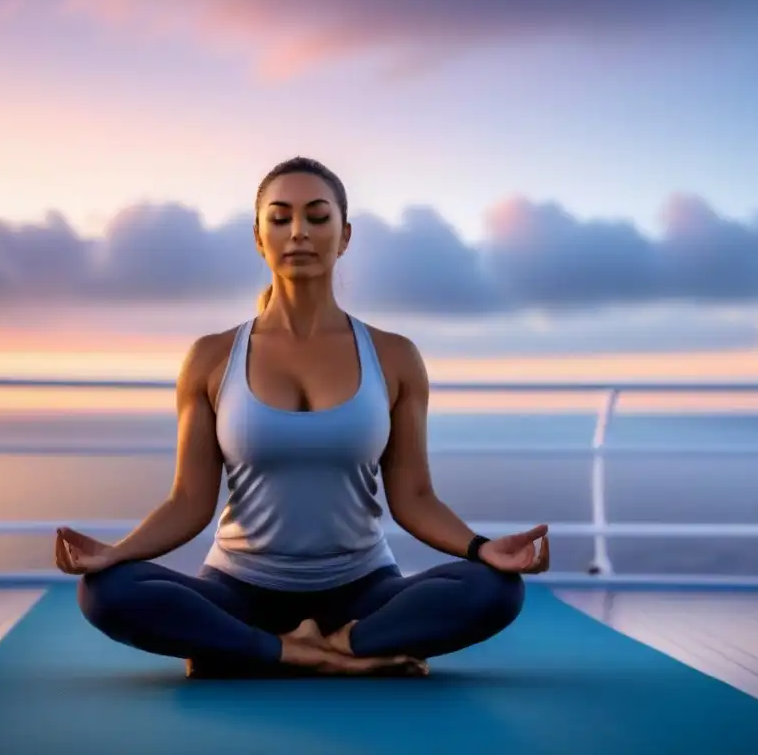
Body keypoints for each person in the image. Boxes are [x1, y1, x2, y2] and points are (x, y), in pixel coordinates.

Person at [54, 157, 551, 677]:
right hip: (239, 589)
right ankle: (329, 653)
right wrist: (117, 553)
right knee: (105, 592)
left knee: (495, 589)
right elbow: (188, 501)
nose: (299, 233)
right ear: (258, 236)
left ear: (344, 235)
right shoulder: (211, 357)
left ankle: (280, 647)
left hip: (363, 589)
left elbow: (415, 498)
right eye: (280, 217)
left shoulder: (395, 356)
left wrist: (483, 547)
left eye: (317, 217)